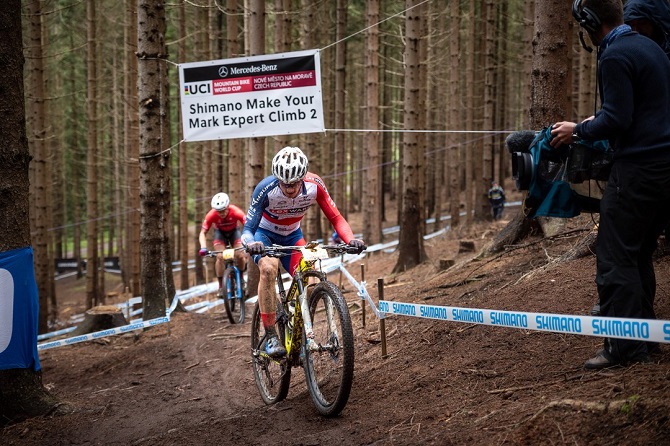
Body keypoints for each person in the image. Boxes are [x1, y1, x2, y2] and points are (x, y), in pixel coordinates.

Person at [551, 0, 670, 369]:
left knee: (615, 257)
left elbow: (618, 119)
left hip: (637, 170)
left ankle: (623, 348)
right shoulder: (649, 47)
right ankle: (645, 341)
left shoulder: (615, 55)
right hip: (662, 169)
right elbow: (641, 109)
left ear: (590, 22)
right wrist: (600, 118)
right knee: (637, 254)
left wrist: (578, 130)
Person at [242, 146, 365, 357]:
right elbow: (247, 230)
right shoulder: (265, 188)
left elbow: (336, 217)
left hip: (292, 235)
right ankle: (271, 336)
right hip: (264, 235)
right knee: (269, 269)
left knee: (312, 282)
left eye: (294, 184)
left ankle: (295, 321)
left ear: (303, 177)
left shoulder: (314, 185)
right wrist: (252, 243)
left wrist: (350, 239)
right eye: (285, 184)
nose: (290, 189)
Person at [198, 192, 247, 296]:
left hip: (234, 232)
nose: (221, 213)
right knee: (220, 257)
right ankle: (221, 286)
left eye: (223, 210)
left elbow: (248, 226)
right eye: (219, 211)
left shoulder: (236, 211)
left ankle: (241, 279)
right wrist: (203, 247)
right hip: (220, 234)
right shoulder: (211, 215)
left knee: (240, 255)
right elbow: (203, 233)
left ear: (228, 206)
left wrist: (249, 240)